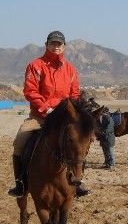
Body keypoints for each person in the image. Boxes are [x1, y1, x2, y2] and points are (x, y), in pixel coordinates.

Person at [8, 31, 90, 197]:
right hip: (40, 117)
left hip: (64, 119)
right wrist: (47, 110)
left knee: (79, 143)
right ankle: (21, 183)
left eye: (59, 44)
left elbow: (74, 94)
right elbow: (30, 91)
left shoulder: (71, 70)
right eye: (53, 43)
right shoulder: (35, 66)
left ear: (64, 47)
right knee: (20, 140)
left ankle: (77, 181)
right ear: (46, 45)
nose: (56, 46)